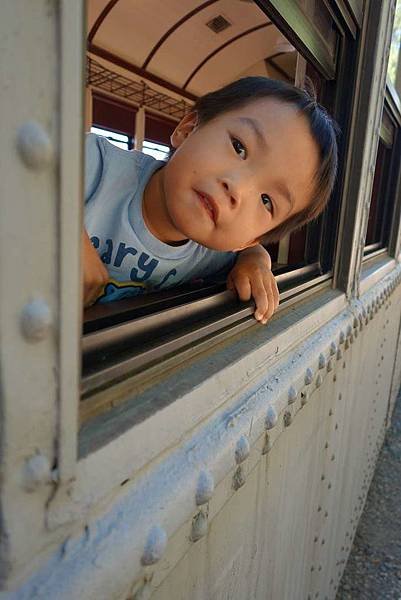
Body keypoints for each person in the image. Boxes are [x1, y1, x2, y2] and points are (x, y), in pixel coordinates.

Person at [83, 77, 338, 324]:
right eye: (239, 147)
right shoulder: (95, 164)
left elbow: (250, 251)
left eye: (266, 200)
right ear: (188, 129)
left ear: (248, 239)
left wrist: (256, 261)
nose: (236, 188)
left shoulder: (209, 256)